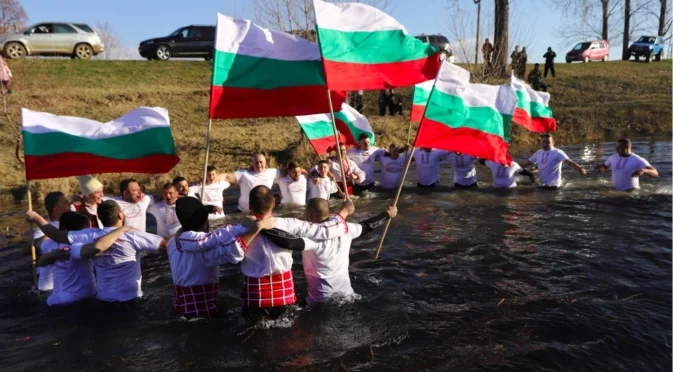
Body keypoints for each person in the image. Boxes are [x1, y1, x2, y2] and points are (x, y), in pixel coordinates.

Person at [176, 185, 354, 319]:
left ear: (249, 206)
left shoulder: (237, 229)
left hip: (254, 298)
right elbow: (324, 230)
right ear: (274, 203)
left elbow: (205, 243)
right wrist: (343, 212)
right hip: (284, 297)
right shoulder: (289, 224)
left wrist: (180, 237)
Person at [28, 200, 169, 303]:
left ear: (99, 218)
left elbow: (58, 236)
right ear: (120, 216)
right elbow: (166, 244)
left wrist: (36, 218)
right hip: (130, 300)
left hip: (102, 300)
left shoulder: (89, 234)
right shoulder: (132, 235)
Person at [167, 197, 276, 318]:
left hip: (179, 308)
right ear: (204, 222)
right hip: (202, 312)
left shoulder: (173, 243)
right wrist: (254, 227)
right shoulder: (203, 251)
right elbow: (231, 250)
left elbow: (209, 239)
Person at [298, 198, 397, 304]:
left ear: (309, 216)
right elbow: (368, 225)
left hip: (319, 300)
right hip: (347, 296)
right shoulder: (346, 228)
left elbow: (287, 242)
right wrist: (387, 214)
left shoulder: (307, 236)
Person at [37, 212, 127, 306]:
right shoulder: (83, 245)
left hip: (55, 299)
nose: (90, 231)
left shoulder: (48, 245)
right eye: (87, 230)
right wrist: (122, 229)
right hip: (83, 297)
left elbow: (41, 261)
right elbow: (102, 244)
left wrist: (52, 253)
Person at [215, 153, 282, 213]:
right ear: (252, 164)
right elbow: (226, 177)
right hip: (244, 212)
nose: (259, 164)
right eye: (256, 162)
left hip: (264, 212)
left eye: (261, 162)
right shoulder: (244, 174)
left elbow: (286, 171)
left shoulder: (272, 172)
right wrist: (212, 177)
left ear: (265, 163)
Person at [33, 191, 71, 291]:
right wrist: (53, 234)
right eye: (66, 202)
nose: (69, 204)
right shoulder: (42, 229)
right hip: (50, 282)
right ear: (56, 209)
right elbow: (34, 246)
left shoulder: (72, 222)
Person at [519, 134, 587, 189]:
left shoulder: (558, 152)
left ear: (553, 143)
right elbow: (526, 164)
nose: (545, 144)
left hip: (555, 187)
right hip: (542, 186)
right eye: (543, 142)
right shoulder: (538, 153)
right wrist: (510, 165)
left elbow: (570, 162)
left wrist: (580, 169)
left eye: (548, 142)